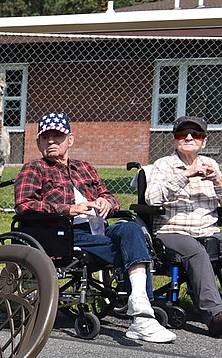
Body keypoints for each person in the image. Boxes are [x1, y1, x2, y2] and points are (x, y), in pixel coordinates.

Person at [15, 112, 175, 343]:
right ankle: (142, 315)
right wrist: (67, 209)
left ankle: (140, 306)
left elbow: (110, 196)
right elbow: (24, 205)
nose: (51, 141)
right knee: (128, 249)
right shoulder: (34, 168)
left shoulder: (85, 168)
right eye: (45, 137)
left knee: (129, 229)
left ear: (70, 139)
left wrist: (106, 203)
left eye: (57, 136)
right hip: (64, 233)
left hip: (99, 228)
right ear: (38, 143)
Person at [143, 114, 222, 338]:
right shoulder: (163, 165)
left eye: (195, 134)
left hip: (208, 229)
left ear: (204, 140)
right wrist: (185, 176)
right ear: (175, 139)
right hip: (172, 230)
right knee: (196, 251)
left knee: (209, 244)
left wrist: (217, 180)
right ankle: (215, 315)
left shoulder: (212, 164)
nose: (189, 137)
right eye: (182, 134)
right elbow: (152, 198)